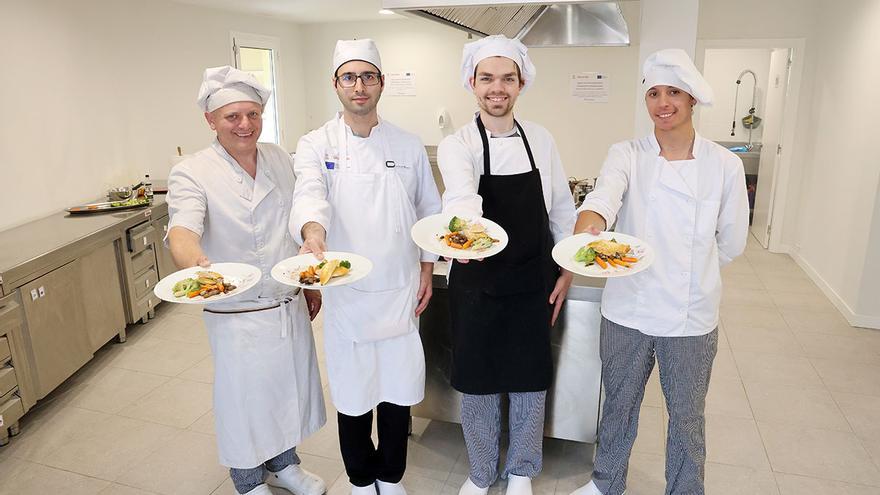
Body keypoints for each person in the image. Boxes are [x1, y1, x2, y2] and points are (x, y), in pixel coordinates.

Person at [569, 49, 750, 495]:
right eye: (653, 93)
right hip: (628, 308)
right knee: (619, 407)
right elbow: (604, 198)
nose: (662, 102)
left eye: (673, 92)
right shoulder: (627, 154)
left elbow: (732, 241)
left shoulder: (723, 165)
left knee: (686, 416)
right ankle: (605, 484)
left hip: (690, 316)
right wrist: (590, 227)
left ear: (691, 100)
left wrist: (694, 270)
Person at [289, 39, 441, 495]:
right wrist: (312, 232)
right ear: (336, 84)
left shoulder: (408, 145)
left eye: (368, 76)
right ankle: (359, 480)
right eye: (350, 77)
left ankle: (390, 478)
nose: (359, 86)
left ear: (380, 83)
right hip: (347, 293)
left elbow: (428, 211)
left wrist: (428, 269)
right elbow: (309, 194)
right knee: (353, 395)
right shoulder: (316, 143)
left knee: (396, 391)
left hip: (398, 288)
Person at [166, 66, 327, 495]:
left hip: (285, 300)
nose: (244, 125)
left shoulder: (277, 157)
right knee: (243, 400)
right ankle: (247, 479)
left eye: (252, 114)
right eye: (232, 116)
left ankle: (284, 464)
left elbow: (296, 221)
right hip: (237, 308)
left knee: (286, 389)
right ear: (211, 120)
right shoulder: (192, 171)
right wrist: (197, 263)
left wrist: (308, 282)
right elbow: (182, 230)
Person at [437, 35, 576, 495]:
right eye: (488, 78)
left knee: (529, 376)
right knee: (477, 379)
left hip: (532, 278)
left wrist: (568, 267)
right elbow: (459, 195)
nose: (498, 88)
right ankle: (480, 473)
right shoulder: (458, 144)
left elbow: (560, 211)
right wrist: (469, 226)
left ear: (521, 84)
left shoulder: (541, 139)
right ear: (472, 83)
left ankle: (521, 470)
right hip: (476, 279)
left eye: (508, 78)